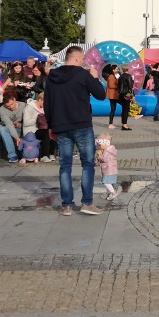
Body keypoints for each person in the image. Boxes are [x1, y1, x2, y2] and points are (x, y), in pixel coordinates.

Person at [43, 46, 106, 216]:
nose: (84, 61)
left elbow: (46, 104)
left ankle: (67, 205)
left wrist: (50, 126)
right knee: (87, 164)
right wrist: (95, 78)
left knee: (65, 166)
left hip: (61, 126)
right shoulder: (83, 74)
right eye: (83, 58)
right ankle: (87, 203)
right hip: (82, 125)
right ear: (77, 59)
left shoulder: (52, 77)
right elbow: (101, 94)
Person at [95, 133, 119, 201]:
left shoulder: (107, 151)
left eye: (100, 145)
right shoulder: (109, 149)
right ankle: (108, 193)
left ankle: (113, 193)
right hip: (111, 169)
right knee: (109, 182)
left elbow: (104, 159)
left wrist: (99, 155)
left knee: (106, 182)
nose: (99, 147)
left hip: (108, 169)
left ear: (105, 144)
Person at [116, 64, 135, 130]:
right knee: (126, 110)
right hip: (127, 95)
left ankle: (124, 123)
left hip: (121, 94)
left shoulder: (120, 77)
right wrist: (132, 95)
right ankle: (125, 124)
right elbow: (130, 87)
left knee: (124, 109)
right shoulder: (129, 76)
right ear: (128, 69)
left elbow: (118, 86)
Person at [105, 64, 120, 129]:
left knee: (113, 109)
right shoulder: (111, 76)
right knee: (114, 109)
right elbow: (111, 85)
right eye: (116, 69)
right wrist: (119, 86)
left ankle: (110, 123)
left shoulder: (114, 76)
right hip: (112, 95)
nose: (118, 70)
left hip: (113, 95)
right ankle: (110, 123)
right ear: (113, 70)